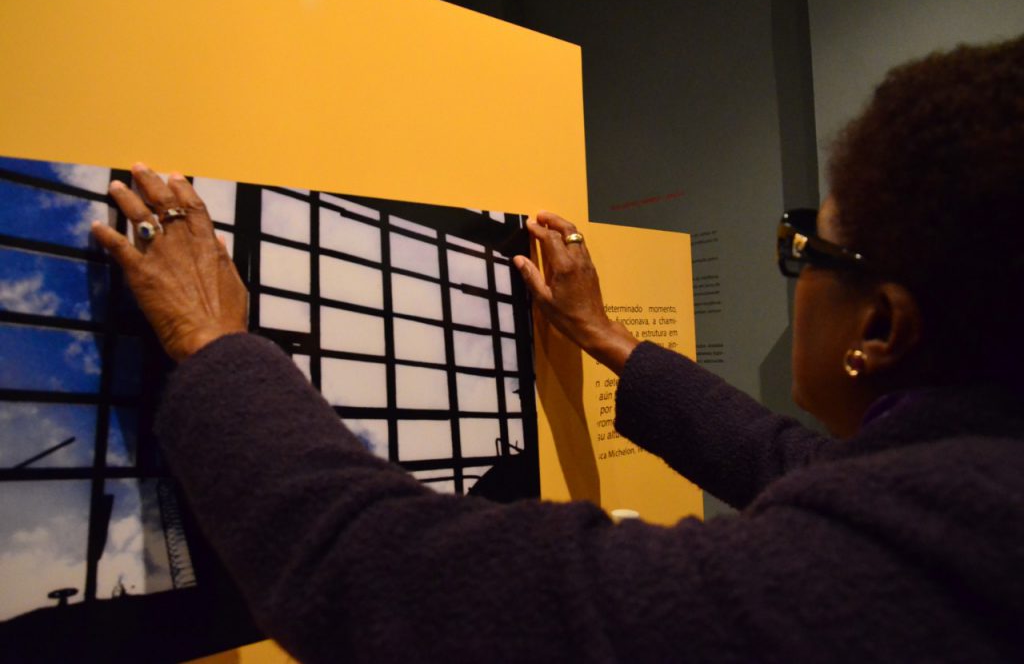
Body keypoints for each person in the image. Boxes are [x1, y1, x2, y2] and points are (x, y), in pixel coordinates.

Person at [90, 35, 1024, 662]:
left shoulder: (890, 582)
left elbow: (384, 582)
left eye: (807, 249)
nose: (798, 273)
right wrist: (606, 338)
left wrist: (215, 343)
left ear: (879, 327)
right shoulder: (971, 487)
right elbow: (785, 461)